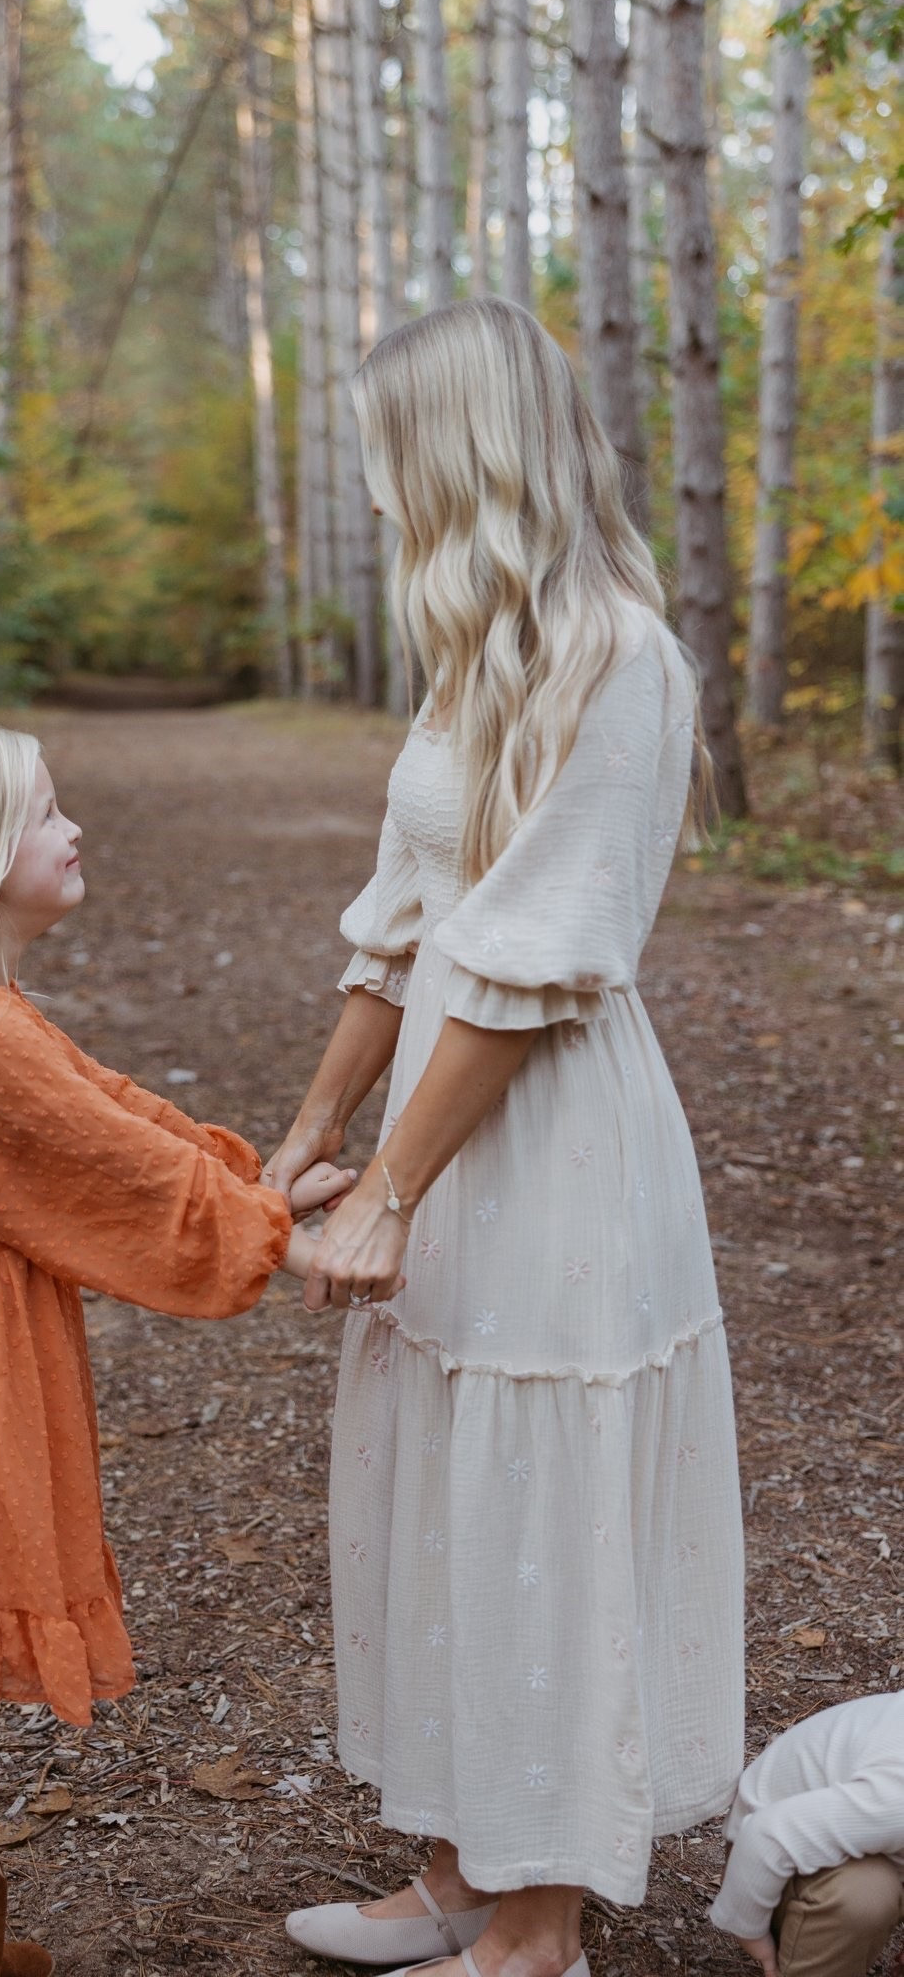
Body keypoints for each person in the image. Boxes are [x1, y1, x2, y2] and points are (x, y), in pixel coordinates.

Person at [268, 298, 745, 1977]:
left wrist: (394, 1187)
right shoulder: (471, 656)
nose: (378, 483)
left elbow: (541, 960)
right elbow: (406, 927)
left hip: (555, 1151)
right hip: (439, 1137)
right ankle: (457, 1866)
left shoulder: (624, 654)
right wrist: (313, 1140)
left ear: (463, 448)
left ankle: (536, 1923)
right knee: (444, 1494)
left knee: (539, 1495)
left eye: (392, 445)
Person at [0, 725, 355, 1977]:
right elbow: (122, 1170)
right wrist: (282, 1244)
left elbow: (118, 1122)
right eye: (49, 813)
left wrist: (255, 1183)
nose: (74, 828)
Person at [709, 1691, 904, 1977]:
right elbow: (765, 1839)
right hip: (768, 1865)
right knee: (864, 1895)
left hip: (852, 1836)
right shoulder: (895, 1800)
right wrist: (752, 1936)